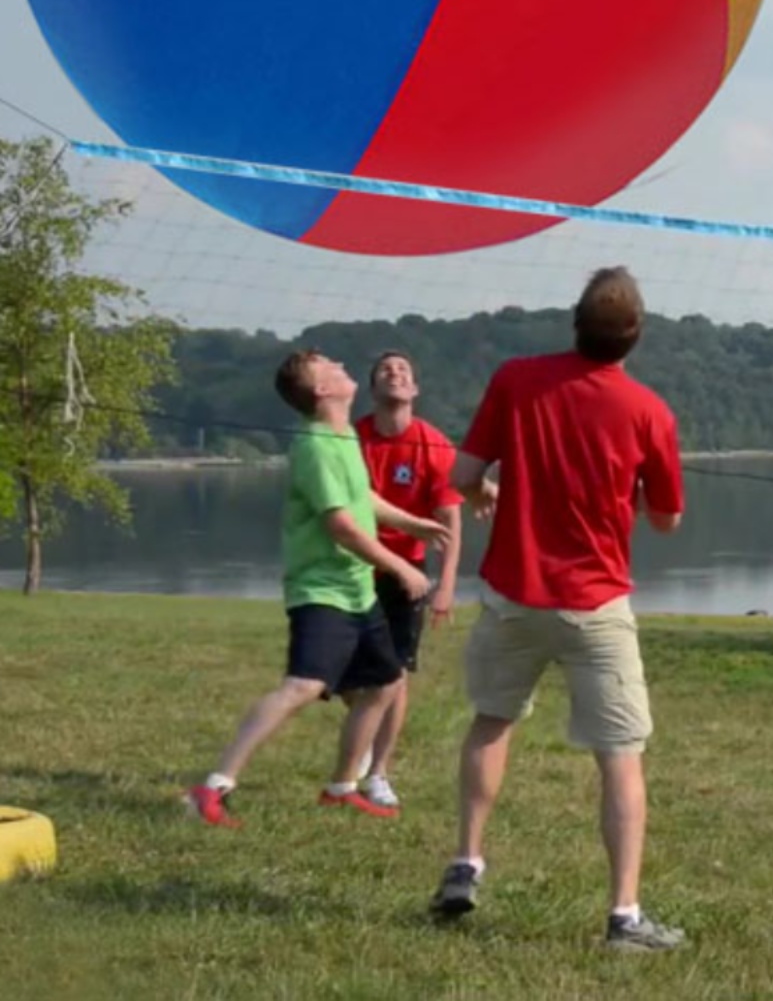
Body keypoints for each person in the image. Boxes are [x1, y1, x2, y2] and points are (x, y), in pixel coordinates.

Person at [429, 267, 687, 952]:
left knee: (492, 722)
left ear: (574, 324)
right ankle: (624, 918)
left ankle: (466, 863)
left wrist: (486, 482)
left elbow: (458, 477)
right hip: (595, 603)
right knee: (620, 757)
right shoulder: (650, 411)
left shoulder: (516, 379)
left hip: (513, 594)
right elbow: (665, 521)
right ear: (634, 338)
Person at [186, 349, 447, 828]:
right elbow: (341, 525)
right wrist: (402, 568)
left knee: (385, 684)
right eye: (332, 367)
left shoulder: (343, 435)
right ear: (322, 390)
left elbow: (362, 496)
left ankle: (342, 788)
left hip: (356, 589)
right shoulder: (313, 444)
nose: (343, 367)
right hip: (322, 590)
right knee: (303, 686)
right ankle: (212, 786)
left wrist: (413, 522)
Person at [339, 350, 463, 811]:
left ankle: (377, 773)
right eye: (385, 371)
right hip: (354, 565)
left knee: (395, 676)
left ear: (414, 390)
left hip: (407, 572)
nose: (395, 374)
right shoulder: (353, 440)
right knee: (339, 674)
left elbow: (449, 522)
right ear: (373, 391)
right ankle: (365, 731)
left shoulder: (433, 444)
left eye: (404, 371)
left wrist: (446, 585)